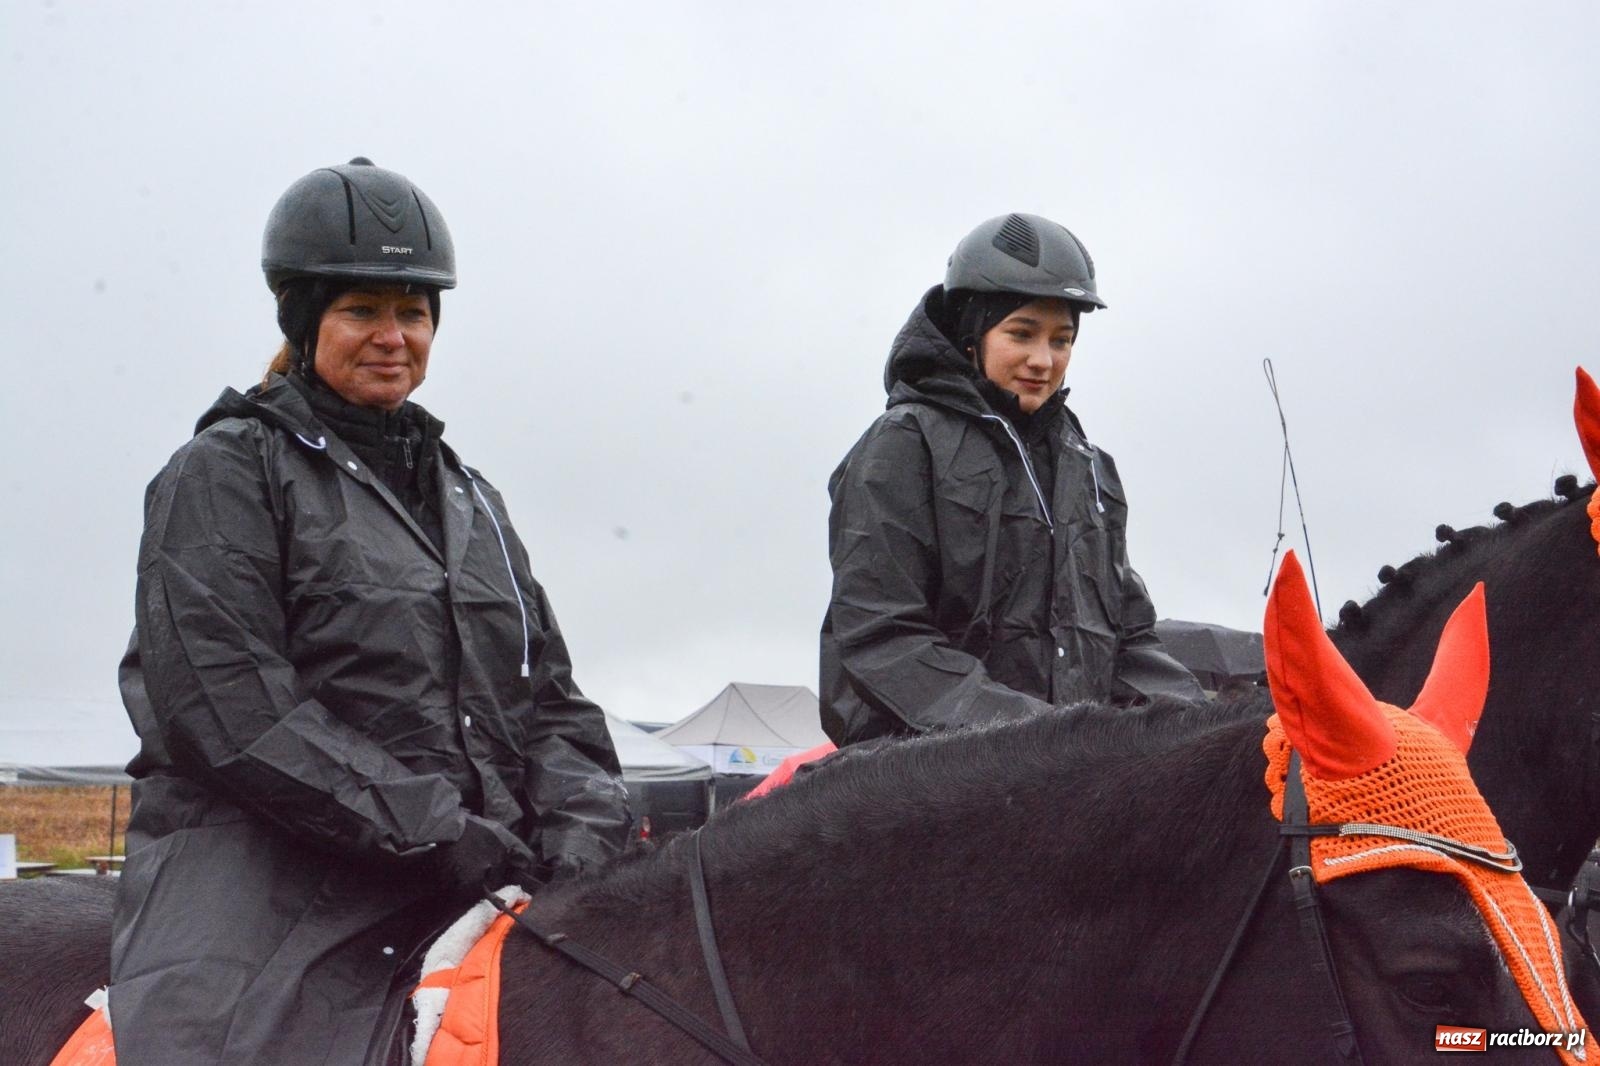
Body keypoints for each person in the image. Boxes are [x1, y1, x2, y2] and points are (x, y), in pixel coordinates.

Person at [109, 158, 631, 1066]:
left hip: (478, 867)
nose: (393, 336)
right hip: (274, 887)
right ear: (306, 321)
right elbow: (230, 710)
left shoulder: (473, 499)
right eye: (363, 312)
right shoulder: (225, 471)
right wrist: (437, 828)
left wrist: (582, 839)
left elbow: (551, 701)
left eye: (413, 313)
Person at [820, 212, 1203, 745]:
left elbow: (1131, 638)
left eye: (1062, 340)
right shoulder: (904, 443)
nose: (1043, 360)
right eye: (1021, 334)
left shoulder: (1089, 466)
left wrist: (1207, 727)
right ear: (971, 333)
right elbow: (882, 637)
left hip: (1067, 775)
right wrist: (1040, 738)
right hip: (929, 779)